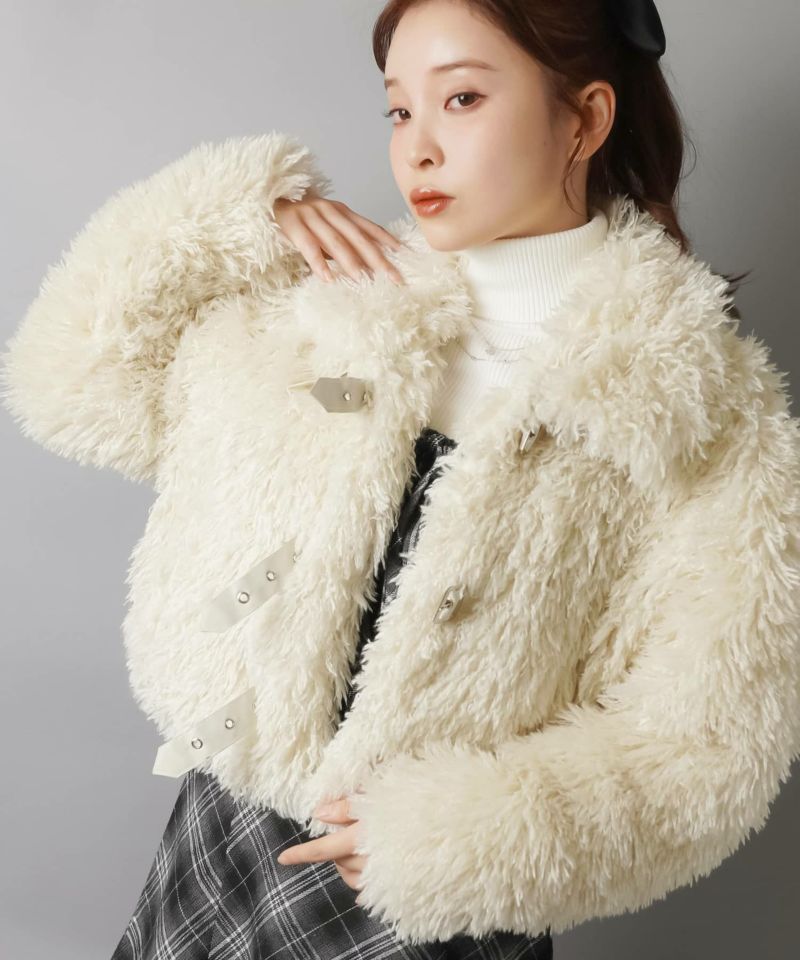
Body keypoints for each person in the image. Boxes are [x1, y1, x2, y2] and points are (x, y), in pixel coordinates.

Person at [2, 1, 798, 958]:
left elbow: (707, 749)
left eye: (461, 99)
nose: (417, 148)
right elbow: (67, 383)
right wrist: (239, 220)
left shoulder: (701, 410)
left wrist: (456, 841)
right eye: (398, 109)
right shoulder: (321, 313)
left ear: (585, 119)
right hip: (226, 842)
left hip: (428, 906)